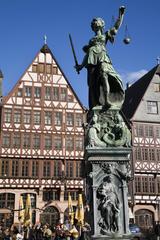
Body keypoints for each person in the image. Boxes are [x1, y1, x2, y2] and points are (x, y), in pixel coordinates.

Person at [75, 7, 125, 109]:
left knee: (104, 75)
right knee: (93, 84)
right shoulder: (91, 41)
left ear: (102, 24)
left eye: (97, 21)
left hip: (102, 58)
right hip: (91, 62)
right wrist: (81, 65)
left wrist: (121, 15)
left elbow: (116, 27)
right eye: (94, 23)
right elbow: (88, 55)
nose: (95, 23)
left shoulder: (105, 35)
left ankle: (107, 100)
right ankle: (96, 104)